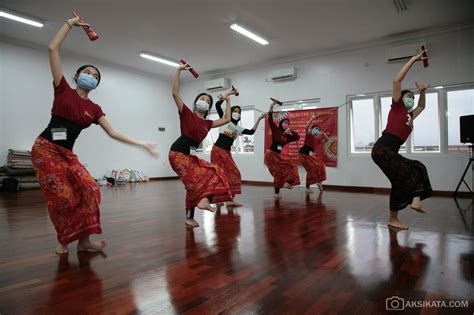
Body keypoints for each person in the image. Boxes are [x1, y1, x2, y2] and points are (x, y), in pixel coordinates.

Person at [31, 14, 157, 254]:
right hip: (45, 148)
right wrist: (69, 24)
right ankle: (63, 241)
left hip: (66, 152)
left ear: (96, 84)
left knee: (90, 188)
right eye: (88, 72)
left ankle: (84, 242)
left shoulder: (94, 109)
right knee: (63, 195)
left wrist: (142, 144)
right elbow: (52, 49)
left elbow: (113, 132)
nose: (92, 76)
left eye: (96, 76)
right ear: (77, 76)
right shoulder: (63, 89)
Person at [169, 62, 236, 228]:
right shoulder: (186, 113)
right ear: (197, 102)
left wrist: (228, 100)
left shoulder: (207, 123)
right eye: (202, 98)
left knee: (216, 171)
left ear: (208, 107)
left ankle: (194, 212)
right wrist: (178, 70)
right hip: (177, 153)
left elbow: (227, 120)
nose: (204, 101)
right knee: (197, 180)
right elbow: (175, 93)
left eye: (207, 100)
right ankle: (202, 202)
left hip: (189, 156)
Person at [371, 50, 432, 230]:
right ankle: (412, 203)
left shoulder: (410, 116)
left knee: (410, 174)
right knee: (413, 169)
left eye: (411, 98)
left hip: (390, 151)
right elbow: (396, 81)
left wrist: (422, 93)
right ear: (400, 98)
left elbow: (421, 106)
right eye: (408, 96)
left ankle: (402, 211)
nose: (410, 100)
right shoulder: (397, 107)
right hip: (383, 148)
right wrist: (413, 60)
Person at [264, 99, 300, 199]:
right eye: (285, 122)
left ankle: (283, 187)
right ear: (281, 124)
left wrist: (291, 131)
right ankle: (278, 190)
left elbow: (297, 138)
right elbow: (270, 119)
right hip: (271, 154)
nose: (287, 124)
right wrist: (271, 106)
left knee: (291, 166)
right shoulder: (276, 131)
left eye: (288, 123)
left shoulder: (287, 137)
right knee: (278, 173)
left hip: (278, 156)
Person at [298, 114, 329, 193]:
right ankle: (307, 188)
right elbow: (306, 127)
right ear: (312, 130)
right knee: (310, 170)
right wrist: (312, 118)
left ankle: (319, 183)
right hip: (302, 155)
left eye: (318, 129)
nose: (317, 130)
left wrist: (323, 133)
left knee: (321, 165)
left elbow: (327, 140)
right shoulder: (309, 135)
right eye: (316, 128)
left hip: (309, 156)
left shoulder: (318, 140)